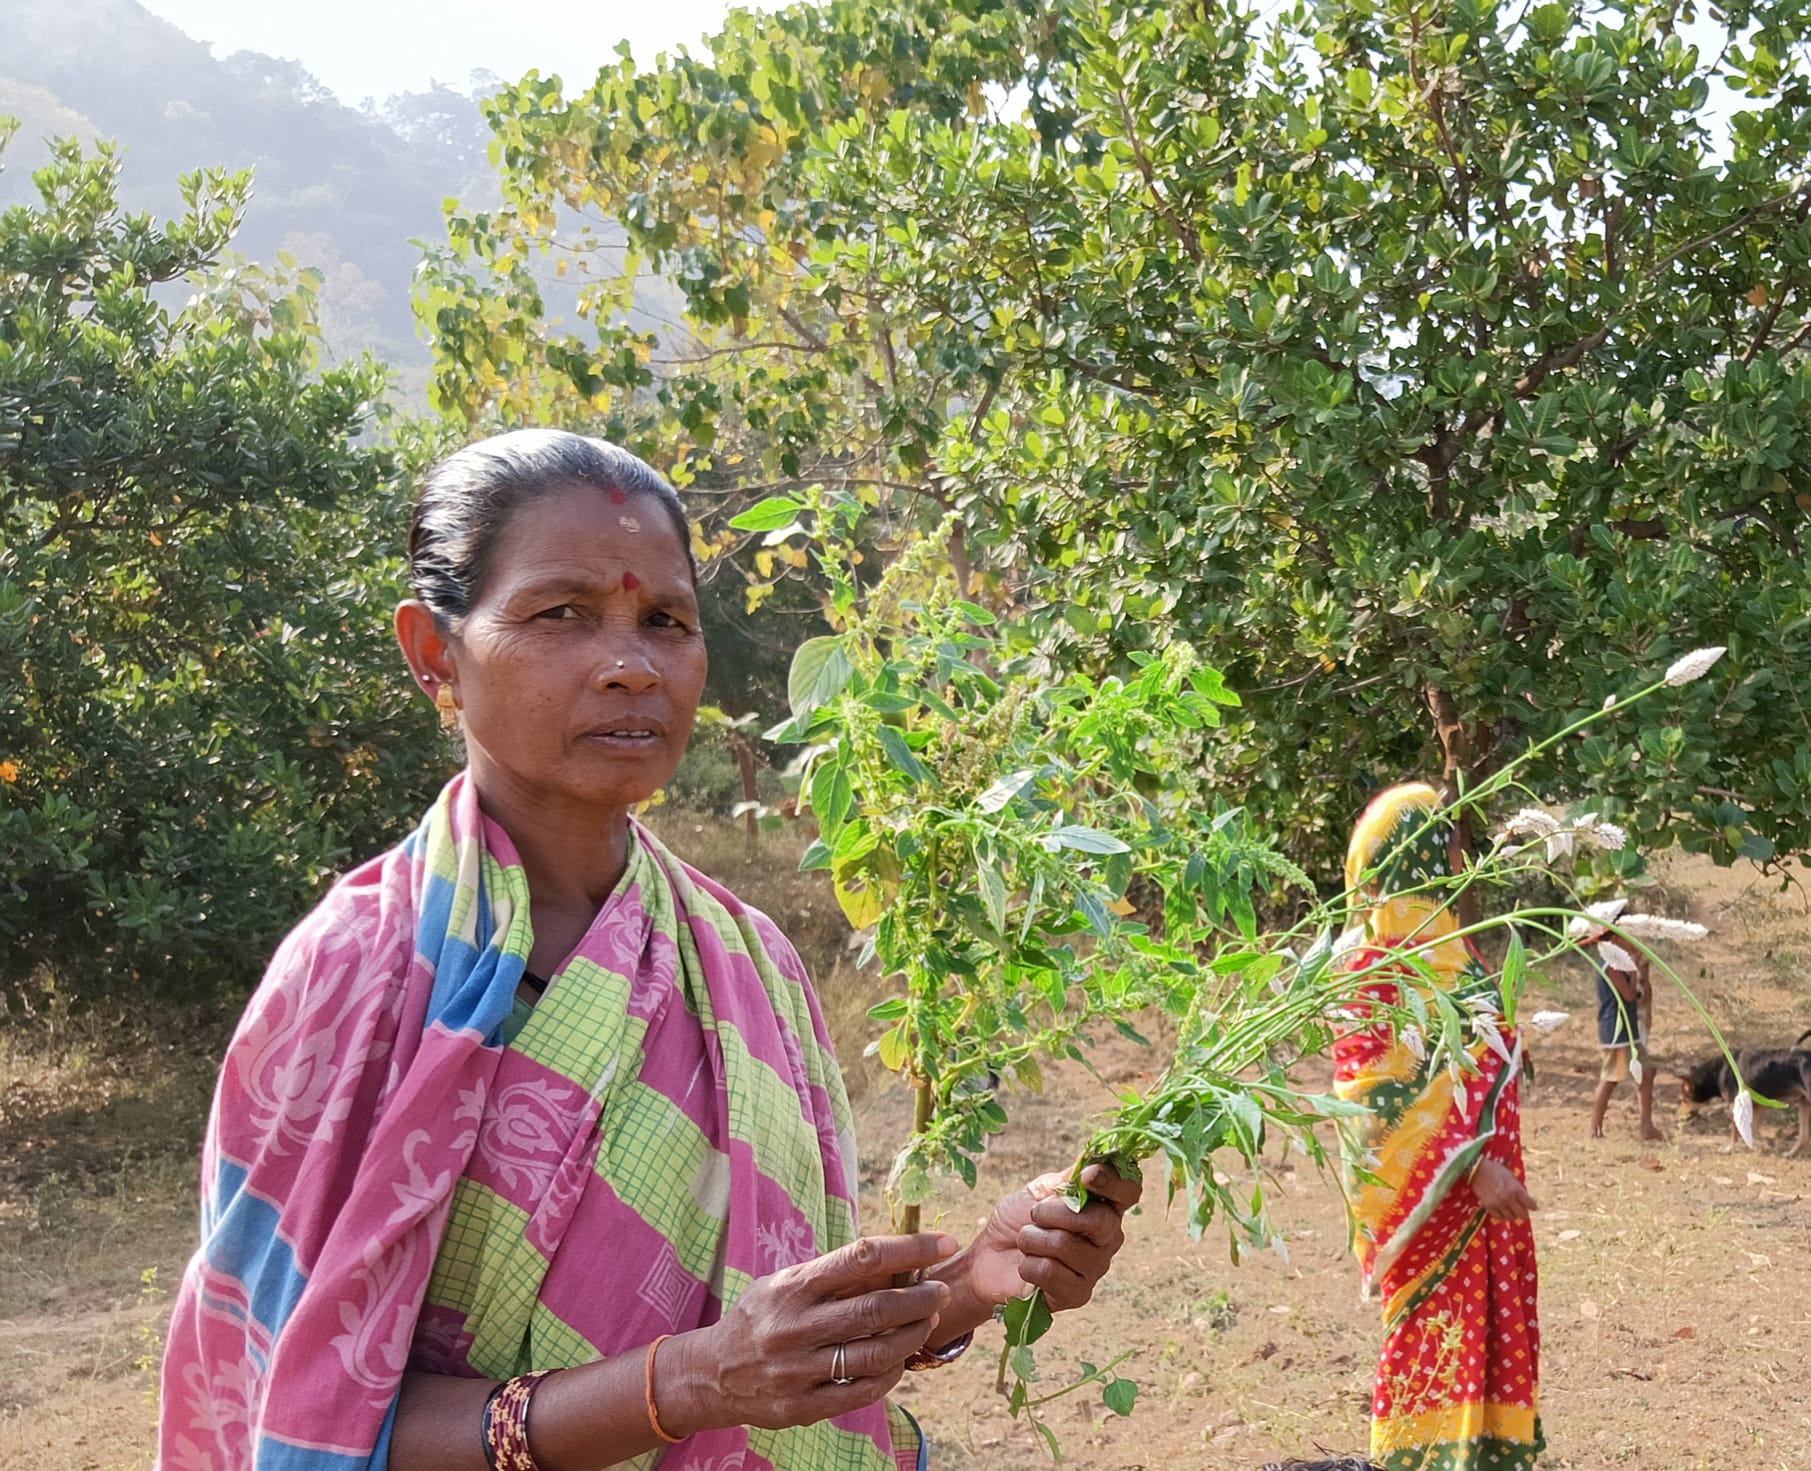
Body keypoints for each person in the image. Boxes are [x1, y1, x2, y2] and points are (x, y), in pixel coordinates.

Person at [156, 430, 1140, 1471]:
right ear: (435, 652)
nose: (629, 665)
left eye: (664, 620)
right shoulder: (362, 974)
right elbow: (292, 1415)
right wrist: (687, 1381)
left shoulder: (742, 962)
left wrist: (977, 1277)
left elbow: (780, 1348)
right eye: (560, 613)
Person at [1331, 783, 1544, 1471]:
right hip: (1442, 1211)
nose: (1460, 852)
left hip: (1489, 1213)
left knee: (1487, 1351)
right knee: (1435, 1351)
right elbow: (1374, 1105)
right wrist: (1473, 1166)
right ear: (1415, 853)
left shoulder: (1448, 947)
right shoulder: (1380, 965)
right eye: (1447, 838)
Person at [1588, 935, 1662, 1142]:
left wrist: (1632, 963)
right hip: (1616, 1031)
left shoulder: (1615, 960)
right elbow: (1629, 995)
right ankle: (1595, 1128)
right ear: (1616, 938)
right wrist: (1632, 968)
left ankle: (1646, 1126)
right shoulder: (1611, 964)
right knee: (1610, 1079)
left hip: (1626, 1030)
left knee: (1647, 1072)